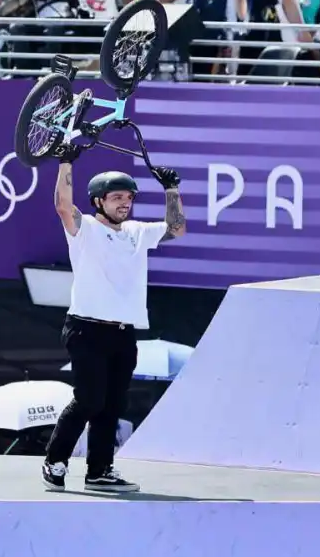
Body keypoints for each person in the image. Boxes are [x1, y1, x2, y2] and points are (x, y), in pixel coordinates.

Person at [42, 152, 186, 493]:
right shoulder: (85, 228)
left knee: (112, 403)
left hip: (123, 332)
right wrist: (66, 163)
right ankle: (55, 460)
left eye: (129, 197)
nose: (125, 203)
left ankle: (100, 470)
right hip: (86, 328)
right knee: (90, 398)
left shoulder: (137, 231)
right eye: (117, 197)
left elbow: (177, 229)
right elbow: (63, 206)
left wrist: (172, 189)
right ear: (98, 201)